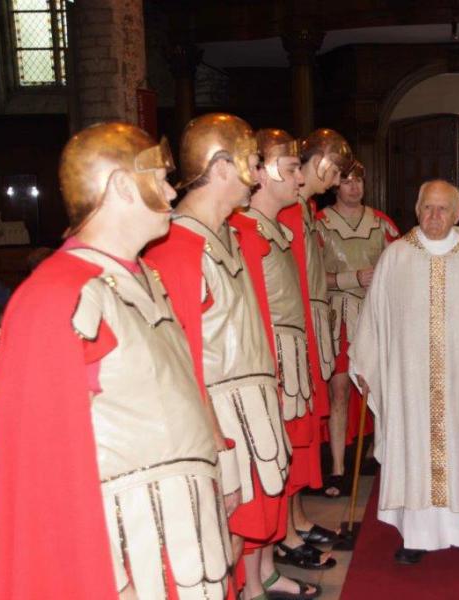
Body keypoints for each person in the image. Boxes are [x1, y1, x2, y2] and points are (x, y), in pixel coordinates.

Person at [0, 122, 235, 599]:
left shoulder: (142, 276)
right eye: (160, 177)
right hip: (125, 543)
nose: (170, 189)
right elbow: (45, 472)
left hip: (183, 520)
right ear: (122, 185)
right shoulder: (56, 295)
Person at [145, 114, 291, 600]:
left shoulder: (226, 235)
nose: (258, 174)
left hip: (249, 411)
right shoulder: (176, 248)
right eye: (252, 163)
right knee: (212, 555)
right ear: (222, 166)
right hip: (217, 423)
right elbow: (177, 366)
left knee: (235, 546)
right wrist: (214, 443)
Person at [350, 179, 459, 563]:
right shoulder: (396, 256)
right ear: (416, 210)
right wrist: (366, 362)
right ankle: (415, 536)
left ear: (457, 213)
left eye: (443, 208)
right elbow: (375, 316)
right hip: (410, 384)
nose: (434, 216)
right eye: (427, 208)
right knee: (413, 448)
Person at [229, 128, 335, 594]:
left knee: (279, 467)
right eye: (292, 168)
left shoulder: (273, 225)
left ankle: (270, 564)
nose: (301, 177)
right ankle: (257, 576)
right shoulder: (246, 231)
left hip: (288, 364)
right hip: (267, 371)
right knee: (263, 475)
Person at [276, 128, 353, 551]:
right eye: (336, 171)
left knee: (302, 432)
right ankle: (287, 529)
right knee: (290, 434)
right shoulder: (289, 210)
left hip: (308, 328)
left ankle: (298, 518)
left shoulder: (303, 207)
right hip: (293, 333)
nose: (339, 181)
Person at [316, 160, 399, 498]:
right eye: (347, 181)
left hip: (374, 316)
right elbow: (308, 276)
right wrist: (352, 278)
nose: (354, 187)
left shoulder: (382, 224)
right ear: (336, 184)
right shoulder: (319, 225)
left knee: (378, 389)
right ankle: (337, 467)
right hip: (337, 317)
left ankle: (379, 455)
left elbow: (400, 269)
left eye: (358, 181)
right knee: (339, 391)